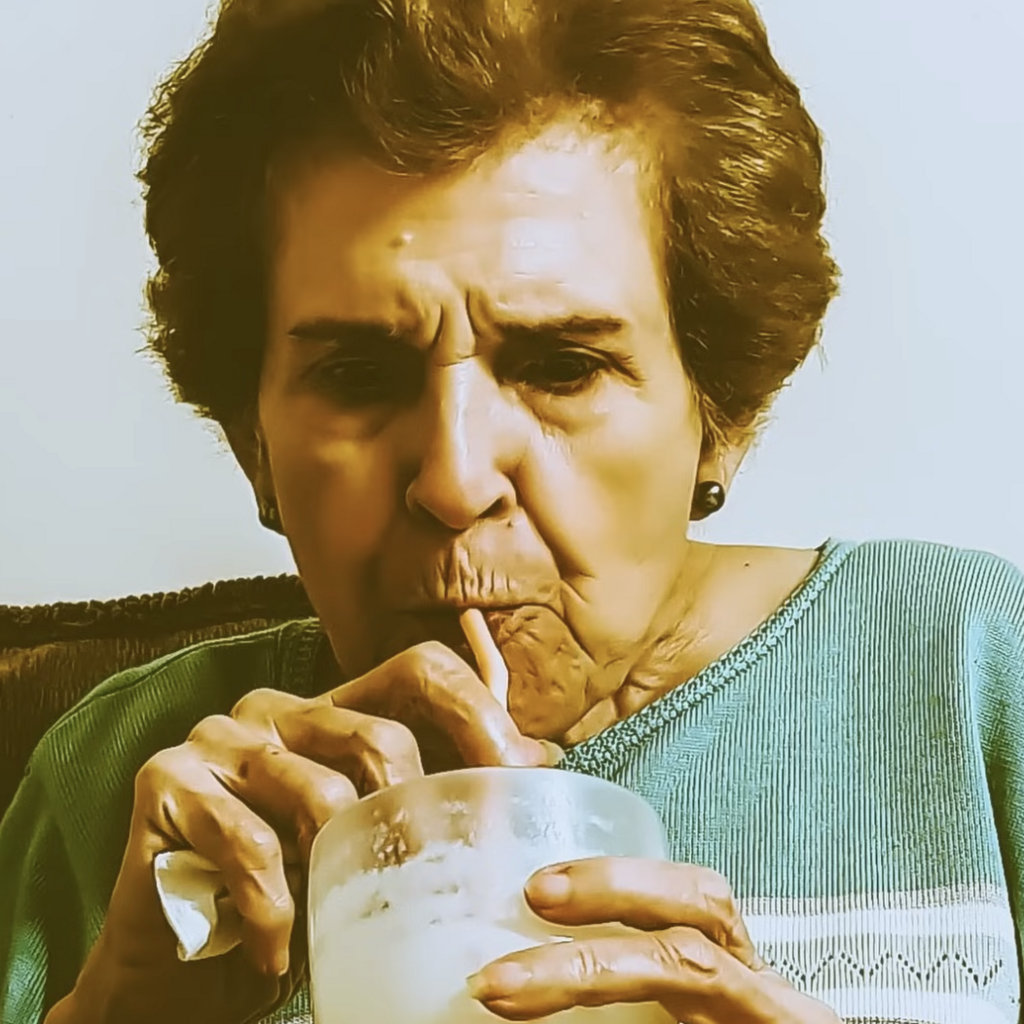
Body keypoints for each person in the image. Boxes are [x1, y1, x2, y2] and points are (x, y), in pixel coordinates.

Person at [1, 0, 1022, 1021]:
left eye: (562, 366)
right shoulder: (117, 783)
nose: (454, 481)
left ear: (721, 414)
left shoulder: (970, 664)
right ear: (251, 442)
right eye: (359, 374)